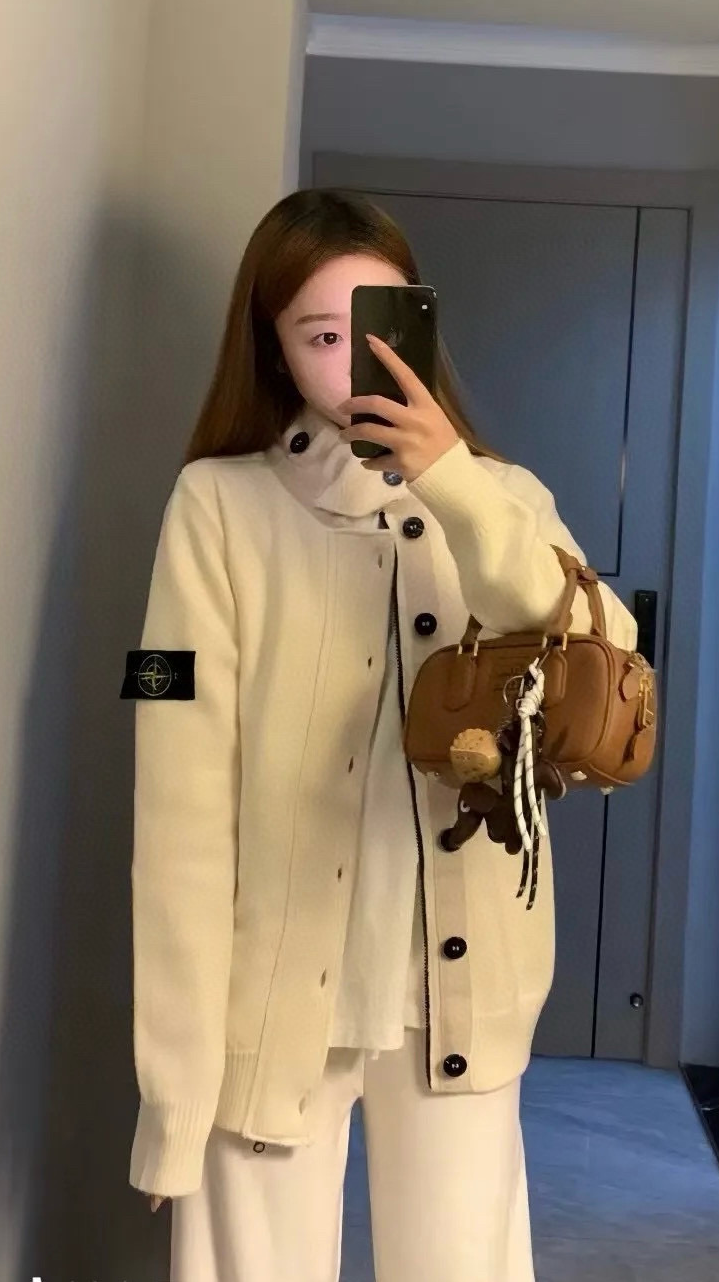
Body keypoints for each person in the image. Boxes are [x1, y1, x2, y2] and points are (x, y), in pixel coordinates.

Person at [121, 188, 638, 1281]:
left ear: (420, 326)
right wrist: (175, 1087)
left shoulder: (502, 497)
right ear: (271, 348)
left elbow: (606, 641)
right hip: (268, 994)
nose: (354, 362)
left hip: (464, 987)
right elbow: (178, 816)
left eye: (378, 325)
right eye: (320, 334)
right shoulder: (217, 509)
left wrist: (447, 480)